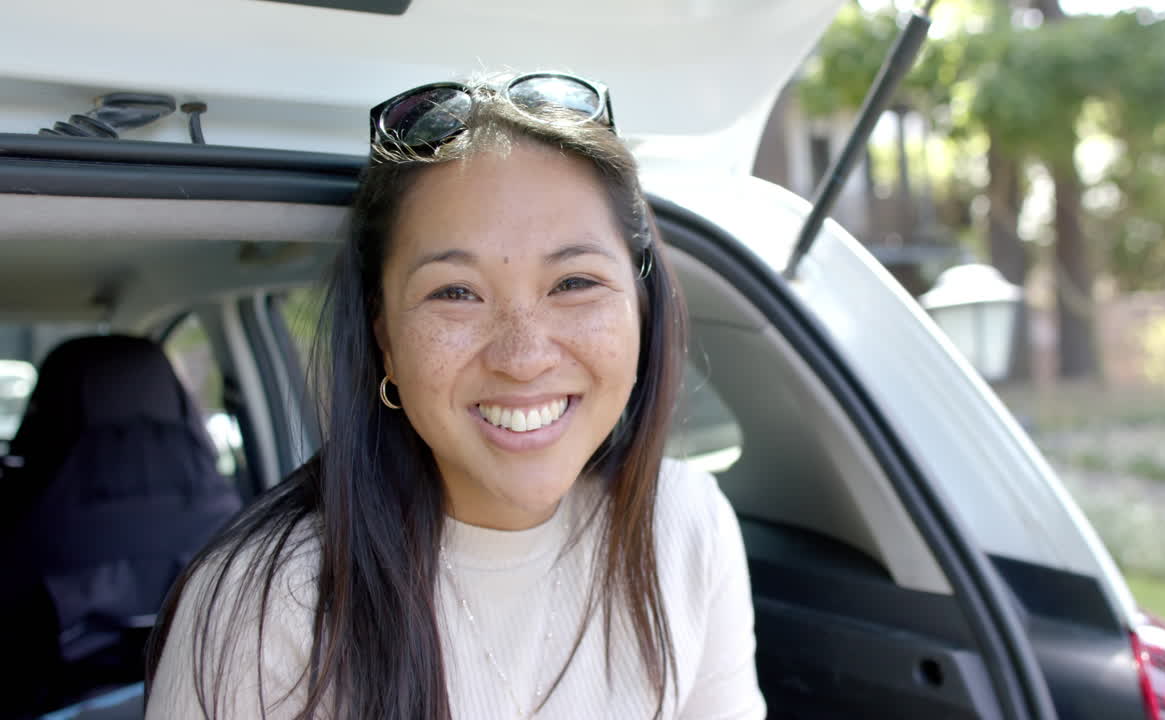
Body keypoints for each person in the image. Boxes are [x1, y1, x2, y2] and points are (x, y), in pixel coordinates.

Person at [144, 72, 764, 719]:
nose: (523, 358)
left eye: (574, 282)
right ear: (385, 339)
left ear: (641, 304)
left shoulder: (685, 526)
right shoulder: (268, 610)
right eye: (456, 293)